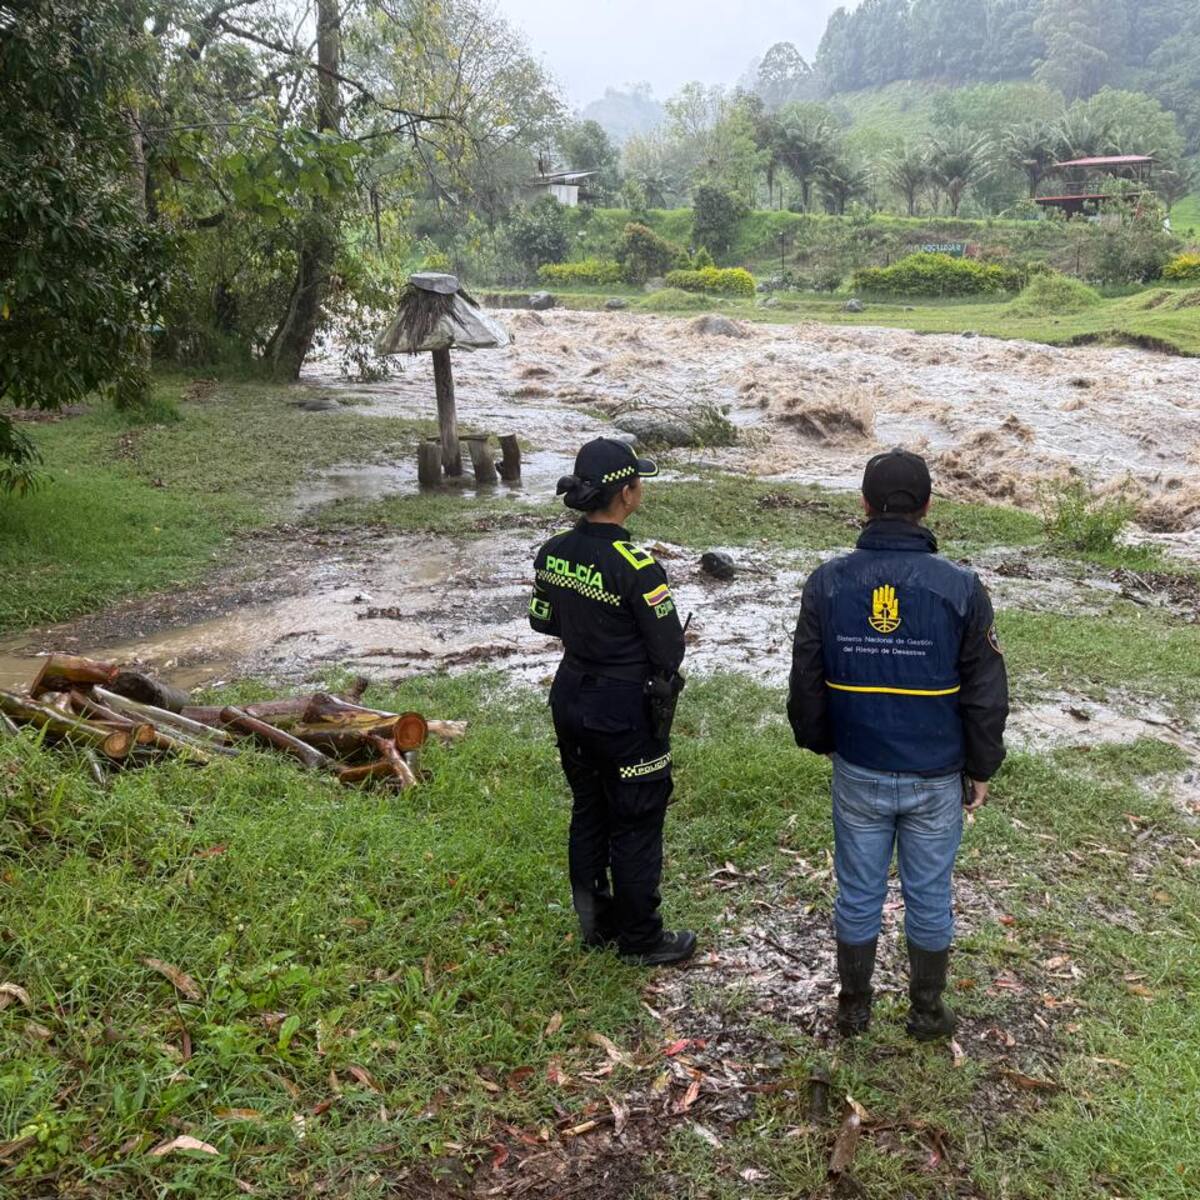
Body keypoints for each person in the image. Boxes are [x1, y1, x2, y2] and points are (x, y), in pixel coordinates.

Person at [787, 448, 1008, 1040]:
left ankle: (854, 1008)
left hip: (859, 766)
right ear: (928, 506)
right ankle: (927, 1012)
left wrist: (822, 741)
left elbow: (806, 676)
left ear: (863, 505)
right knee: (929, 896)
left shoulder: (828, 582)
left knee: (858, 892)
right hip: (936, 775)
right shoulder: (961, 586)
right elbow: (986, 691)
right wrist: (982, 765)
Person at [529, 437, 696, 967]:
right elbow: (668, 649)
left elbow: (542, 619)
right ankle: (641, 939)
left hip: (571, 695)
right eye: (638, 482)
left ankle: (595, 925)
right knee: (636, 817)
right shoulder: (637, 565)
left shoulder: (553, 551)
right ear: (626, 493)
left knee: (588, 808)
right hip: (624, 709)